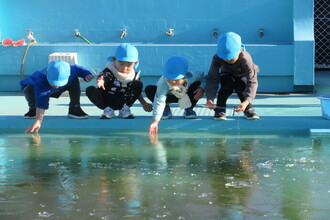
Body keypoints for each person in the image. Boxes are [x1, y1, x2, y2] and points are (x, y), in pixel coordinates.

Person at [21, 60, 94, 133]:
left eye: (59, 82)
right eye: (54, 82)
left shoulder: (72, 70)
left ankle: (75, 108)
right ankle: (33, 108)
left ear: (68, 74)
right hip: (35, 89)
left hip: (56, 89)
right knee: (28, 89)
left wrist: (87, 74)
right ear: (47, 73)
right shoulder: (41, 79)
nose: (56, 86)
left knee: (74, 80)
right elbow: (42, 101)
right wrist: (38, 121)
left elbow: (79, 69)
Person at [86, 43, 152, 119]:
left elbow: (137, 92)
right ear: (114, 59)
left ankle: (125, 109)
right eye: (121, 64)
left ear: (135, 63)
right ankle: (108, 109)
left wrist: (143, 103)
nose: (124, 68)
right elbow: (105, 76)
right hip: (108, 99)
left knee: (138, 84)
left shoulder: (134, 75)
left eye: (129, 65)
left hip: (123, 101)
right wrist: (101, 80)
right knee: (90, 90)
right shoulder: (110, 70)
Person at [205, 32, 260, 120]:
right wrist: (210, 99)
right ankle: (219, 109)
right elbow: (212, 78)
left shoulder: (245, 58)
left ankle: (248, 108)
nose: (228, 59)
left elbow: (252, 81)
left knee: (241, 85)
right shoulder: (217, 58)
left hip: (243, 75)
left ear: (239, 50)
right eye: (225, 57)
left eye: (231, 57)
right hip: (227, 73)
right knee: (226, 85)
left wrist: (246, 101)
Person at [147, 56, 206, 134]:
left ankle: (189, 108)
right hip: (168, 97)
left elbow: (205, 77)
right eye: (170, 79)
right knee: (150, 89)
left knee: (197, 85)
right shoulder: (163, 82)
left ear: (185, 75)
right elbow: (159, 101)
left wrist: (202, 88)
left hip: (185, 95)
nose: (172, 82)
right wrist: (155, 122)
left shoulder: (193, 76)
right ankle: (166, 108)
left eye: (176, 79)